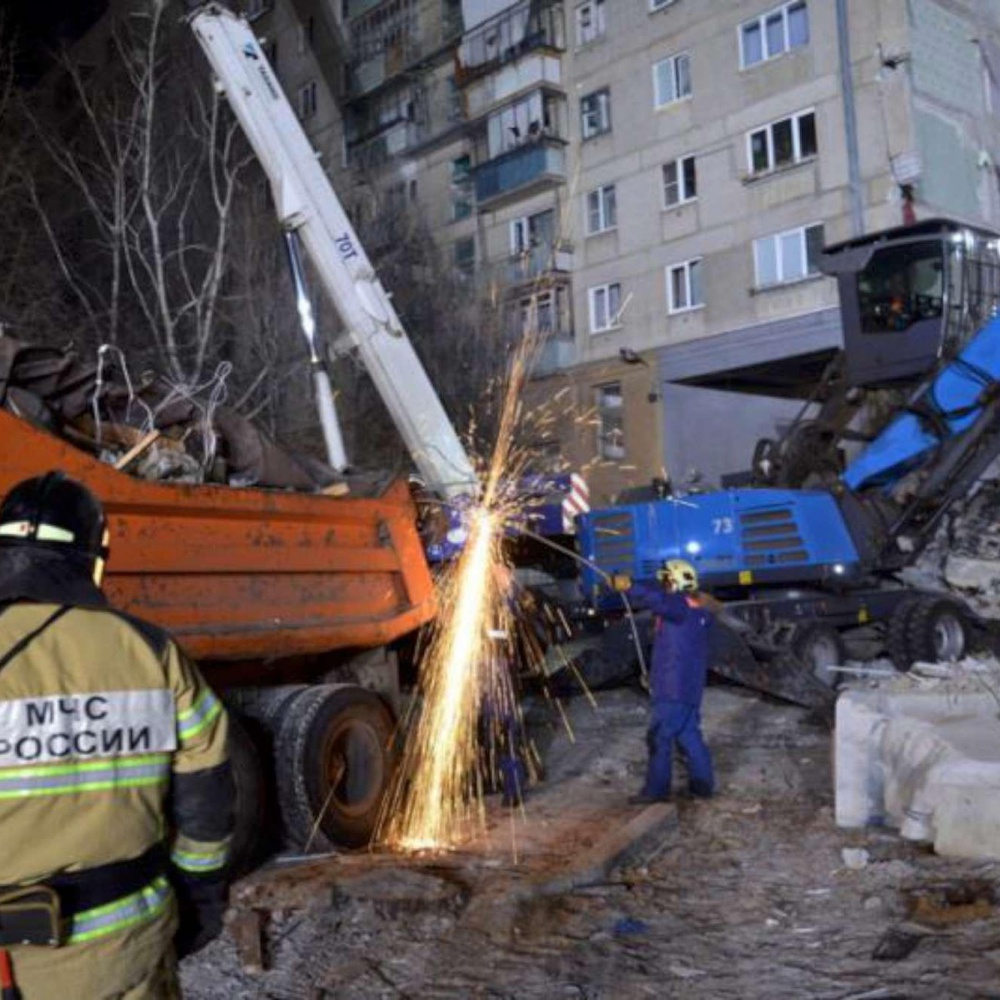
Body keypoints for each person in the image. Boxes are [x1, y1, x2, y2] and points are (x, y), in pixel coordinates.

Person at [0, 471, 233, 999]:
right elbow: (208, 794)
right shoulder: (150, 651)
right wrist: (202, 897)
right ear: (92, 555)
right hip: (128, 948)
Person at [612, 559, 715, 804]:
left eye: (666, 580)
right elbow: (675, 651)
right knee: (689, 735)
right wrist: (654, 675)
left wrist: (629, 586)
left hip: (673, 690)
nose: (663, 585)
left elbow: (656, 599)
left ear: (676, 582)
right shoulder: (697, 612)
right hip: (688, 688)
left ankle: (656, 791)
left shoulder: (678, 608)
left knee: (659, 737)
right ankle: (703, 786)